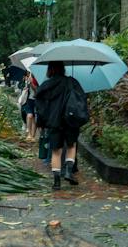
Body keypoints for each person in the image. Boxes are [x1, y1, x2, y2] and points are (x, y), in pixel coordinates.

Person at [33, 61, 89, 190]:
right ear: (63, 69)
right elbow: (82, 99)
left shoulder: (46, 85)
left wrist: (43, 121)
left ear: (49, 70)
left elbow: (39, 103)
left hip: (54, 122)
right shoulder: (72, 82)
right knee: (71, 145)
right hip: (70, 120)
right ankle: (69, 171)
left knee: (56, 152)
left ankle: (56, 182)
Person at [18, 73, 38, 140]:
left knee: (34, 119)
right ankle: (29, 133)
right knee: (30, 115)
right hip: (28, 100)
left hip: (36, 101)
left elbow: (36, 91)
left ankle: (33, 136)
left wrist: (32, 83)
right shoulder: (26, 80)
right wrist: (25, 85)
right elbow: (21, 86)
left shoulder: (37, 80)